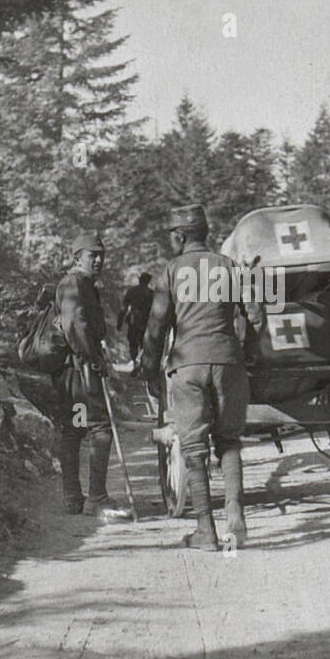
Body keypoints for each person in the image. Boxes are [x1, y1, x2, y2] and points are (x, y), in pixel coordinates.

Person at [142, 205, 262, 550]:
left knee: (194, 449)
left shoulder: (171, 271)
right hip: (228, 363)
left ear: (180, 236)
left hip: (187, 365)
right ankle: (236, 517)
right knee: (229, 441)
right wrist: (248, 352)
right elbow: (254, 313)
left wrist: (149, 368)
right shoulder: (228, 265)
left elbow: (156, 327)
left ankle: (206, 531)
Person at [55, 231, 130, 522]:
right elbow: (75, 325)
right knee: (99, 428)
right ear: (77, 257)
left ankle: (73, 498)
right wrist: (97, 361)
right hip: (80, 372)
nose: (98, 260)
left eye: (101, 255)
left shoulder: (82, 283)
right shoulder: (74, 283)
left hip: (73, 370)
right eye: (91, 255)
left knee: (74, 429)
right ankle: (95, 499)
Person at [117, 272, 154, 369]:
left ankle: (136, 362)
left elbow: (123, 308)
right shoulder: (151, 294)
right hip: (146, 323)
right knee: (143, 344)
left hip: (135, 322)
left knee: (133, 343)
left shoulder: (132, 291)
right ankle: (139, 362)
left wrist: (119, 322)